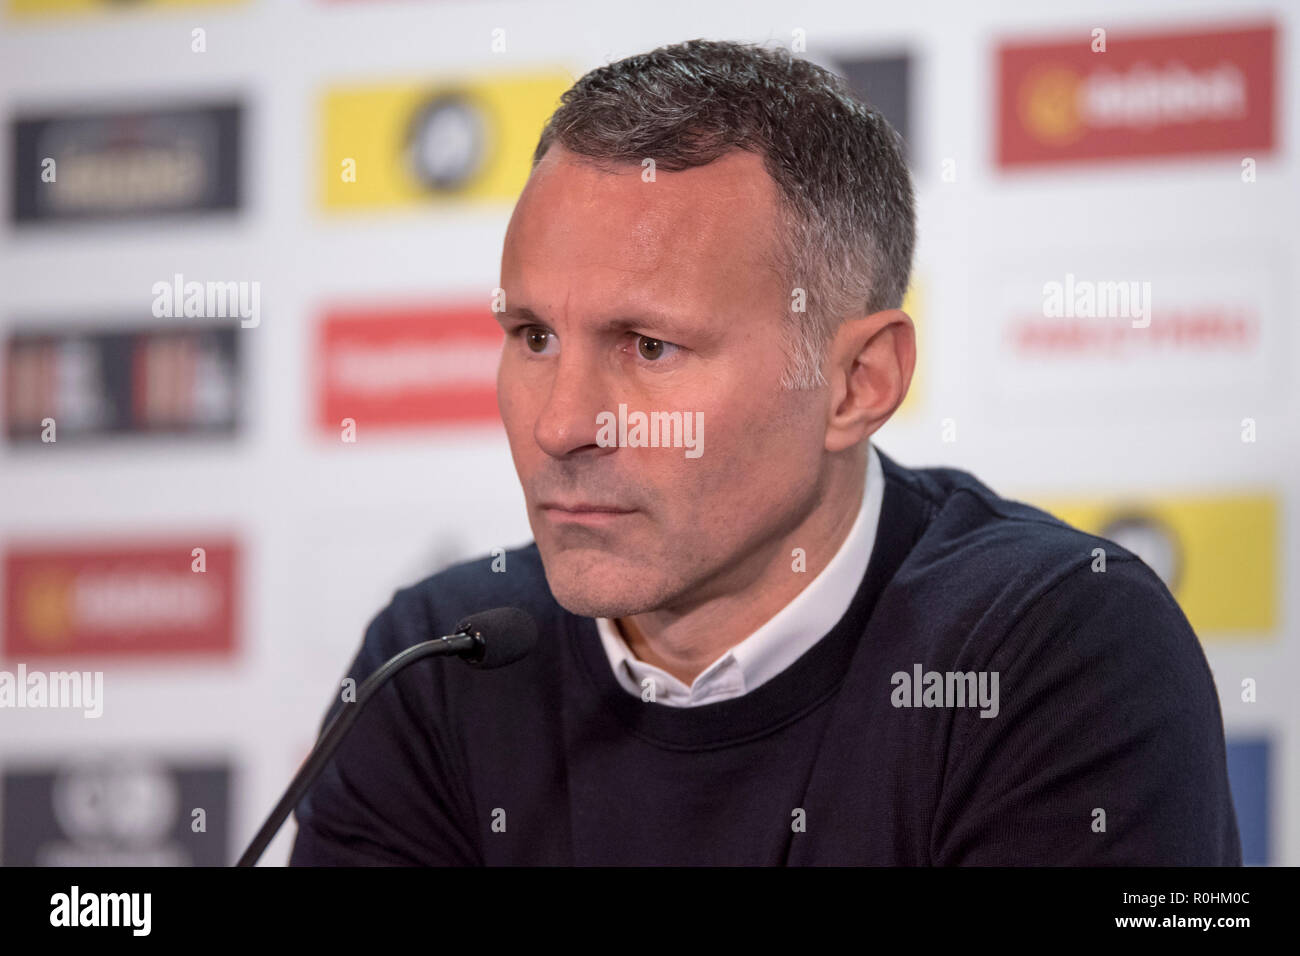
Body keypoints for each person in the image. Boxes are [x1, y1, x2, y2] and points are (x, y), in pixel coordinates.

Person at [289, 39, 1240, 865]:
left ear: (858, 382)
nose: (561, 424)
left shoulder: (1057, 649)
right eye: (534, 336)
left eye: (649, 347)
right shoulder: (441, 665)